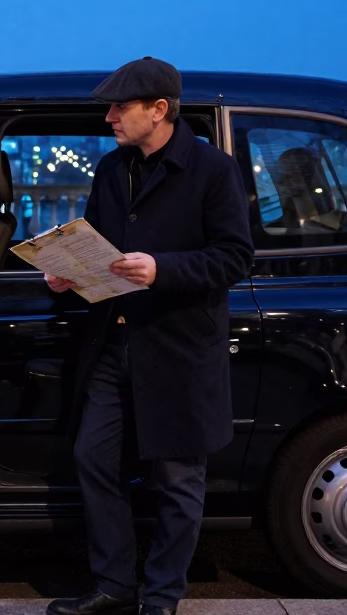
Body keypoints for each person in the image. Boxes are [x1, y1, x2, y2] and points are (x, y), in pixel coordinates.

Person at [44, 57, 254, 615]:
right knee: (93, 458)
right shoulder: (111, 170)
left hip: (179, 349)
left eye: (120, 106)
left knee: (179, 481)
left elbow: (234, 258)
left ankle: (161, 598)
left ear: (159, 110)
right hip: (115, 343)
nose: (109, 116)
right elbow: (98, 247)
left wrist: (163, 270)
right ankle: (113, 585)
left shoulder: (212, 169)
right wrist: (69, 273)